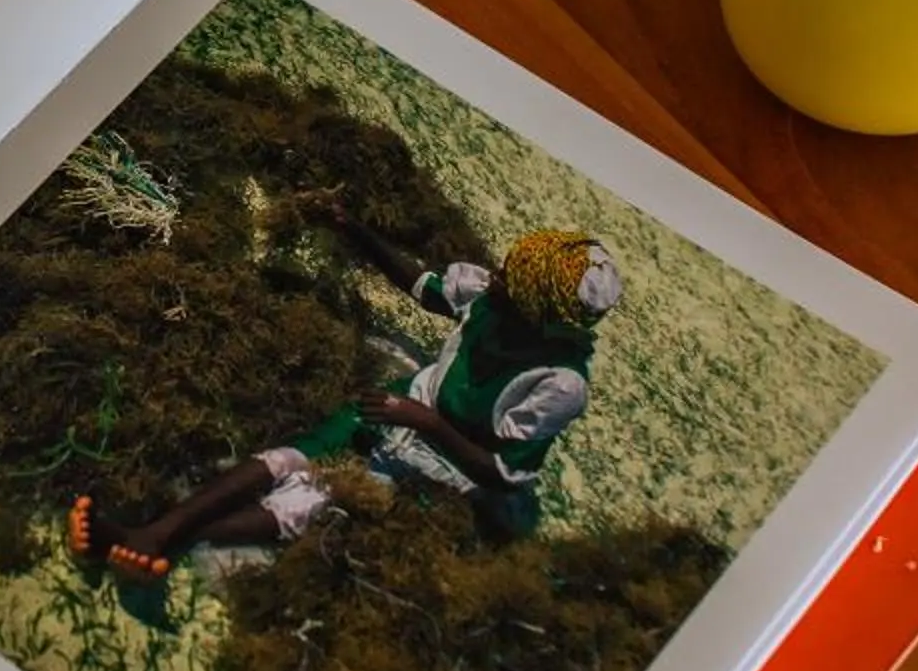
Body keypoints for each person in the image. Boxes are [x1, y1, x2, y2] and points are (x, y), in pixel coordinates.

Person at [69, 217, 623, 573]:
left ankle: (150, 540)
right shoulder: (490, 297)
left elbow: (502, 474)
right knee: (294, 456)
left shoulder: (560, 382)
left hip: (440, 467)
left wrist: (425, 423)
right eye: (505, 272)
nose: (497, 281)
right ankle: (155, 532)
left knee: (314, 500)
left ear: (544, 316)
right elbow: (419, 284)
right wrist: (354, 230)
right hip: (398, 409)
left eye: (513, 285)